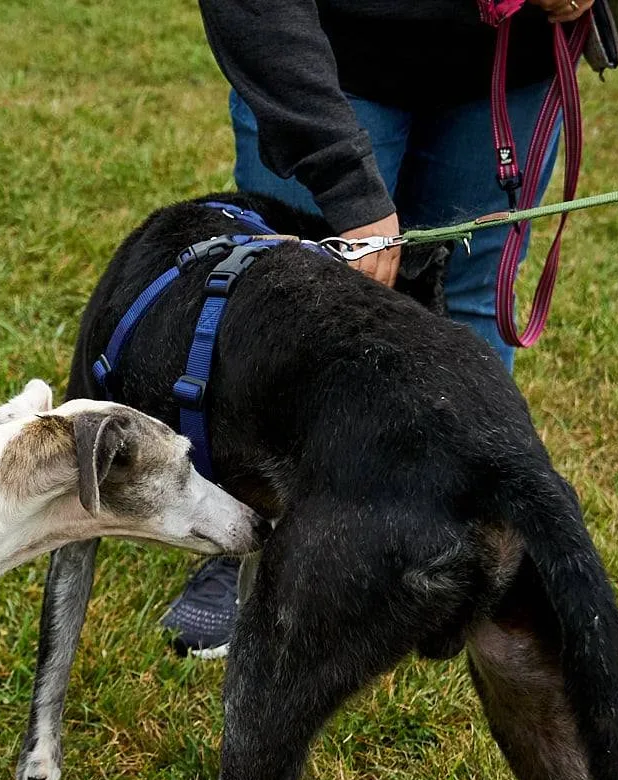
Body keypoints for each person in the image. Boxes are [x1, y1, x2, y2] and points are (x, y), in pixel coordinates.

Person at [161, 0, 596, 657]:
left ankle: (449, 548)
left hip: (508, 63)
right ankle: (261, 544)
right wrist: (347, 185)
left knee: (467, 296)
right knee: (296, 316)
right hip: (326, 55)